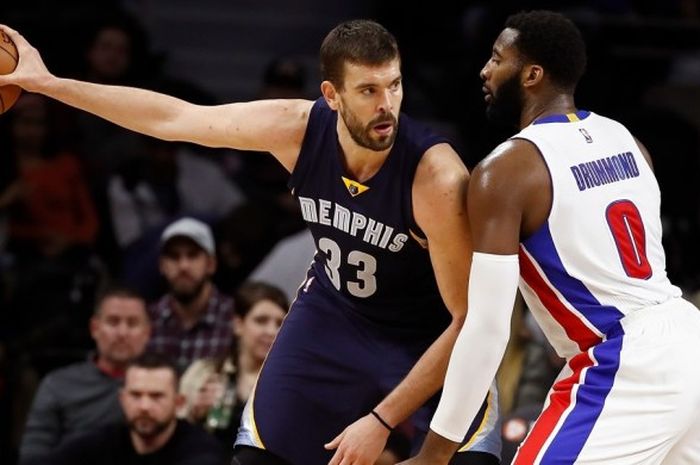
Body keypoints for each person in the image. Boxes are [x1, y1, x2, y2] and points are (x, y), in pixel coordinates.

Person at [0, 20, 501, 465]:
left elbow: (467, 320)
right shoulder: (296, 129)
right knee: (255, 455)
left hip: (427, 336)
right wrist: (48, 84)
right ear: (331, 95)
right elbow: (173, 119)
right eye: (368, 90)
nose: (386, 105)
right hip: (335, 314)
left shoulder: (436, 177)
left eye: (394, 85)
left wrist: (382, 420)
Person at [399, 10, 700, 465]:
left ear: (532, 74)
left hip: (622, 360)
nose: (484, 69)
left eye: (497, 58)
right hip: (686, 335)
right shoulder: (627, 140)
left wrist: (434, 453)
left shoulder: (505, 171)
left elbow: (487, 328)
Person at [19, 285, 151, 465]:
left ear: (147, 332)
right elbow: (33, 455)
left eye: (132, 323)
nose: (122, 333)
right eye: (113, 322)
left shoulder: (173, 384)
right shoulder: (58, 385)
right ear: (94, 328)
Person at [49, 352, 225, 465]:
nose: (144, 406)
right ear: (122, 398)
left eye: (156, 396)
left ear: (178, 402)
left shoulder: (201, 450)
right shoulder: (100, 442)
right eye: (135, 395)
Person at [179, 281, 288, 451]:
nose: (271, 331)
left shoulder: (291, 381)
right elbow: (171, 429)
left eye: (280, 323)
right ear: (238, 324)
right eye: (261, 321)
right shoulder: (204, 372)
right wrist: (194, 413)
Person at [147, 217, 235, 372]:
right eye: (174, 256)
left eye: (192, 255)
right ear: (161, 265)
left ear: (211, 264)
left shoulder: (234, 319)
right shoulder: (147, 319)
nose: (183, 266)